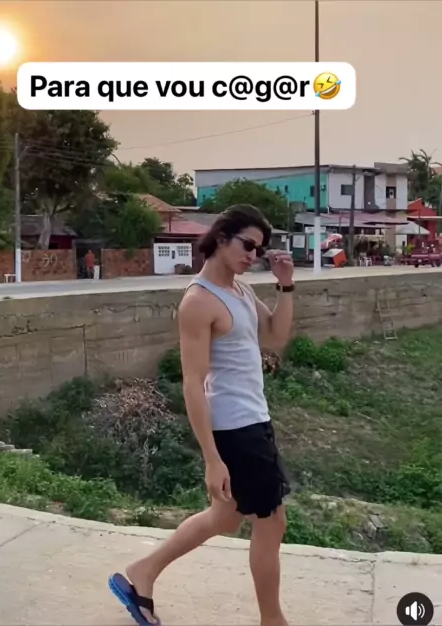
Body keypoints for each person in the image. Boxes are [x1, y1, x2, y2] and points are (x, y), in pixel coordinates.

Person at [109, 204, 295, 626]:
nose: (252, 255)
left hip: (254, 420)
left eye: (259, 250)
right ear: (221, 237)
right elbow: (193, 383)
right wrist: (212, 458)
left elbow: (276, 336)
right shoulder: (198, 302)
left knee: (225, 518)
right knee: (272, 522)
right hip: (236, 428)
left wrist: (285, 286)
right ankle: (273, 620)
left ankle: (143, 572)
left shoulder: (240, 290)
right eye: (247, 245)